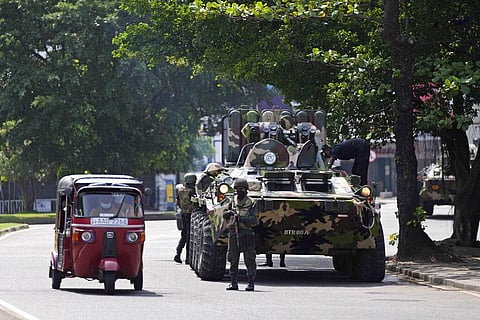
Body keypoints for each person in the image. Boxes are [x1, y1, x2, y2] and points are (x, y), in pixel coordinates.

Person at [223, 178, 258, 291]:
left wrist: (241, 218)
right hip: (234, 232)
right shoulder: (232, 201)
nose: (239, 191)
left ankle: (251, 283)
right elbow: (224, 214)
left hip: (246, 233)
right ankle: (233, 282)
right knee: (233, 258)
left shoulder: (252, 202)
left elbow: (253, 219)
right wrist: (228, 213)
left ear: (246, 190)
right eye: (237, 189)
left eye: (241, 189)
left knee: (249, 259)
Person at [174, 173, 197, 264]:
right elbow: (195, 203)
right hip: (191, 215)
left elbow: (178, 202)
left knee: (184, 236)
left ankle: (178, 253)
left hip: (183, 214)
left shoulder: (181, 191)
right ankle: (188, 258)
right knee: (190, 237)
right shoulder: (192, 191)